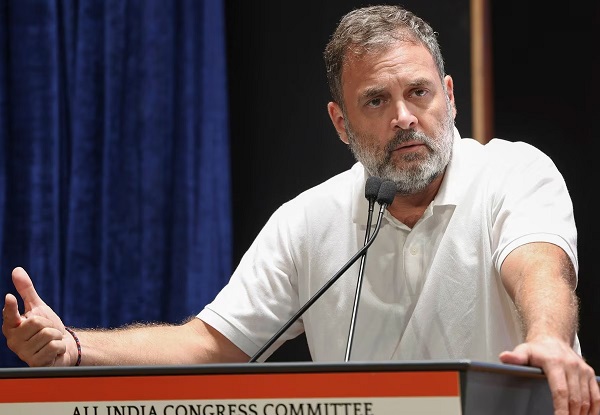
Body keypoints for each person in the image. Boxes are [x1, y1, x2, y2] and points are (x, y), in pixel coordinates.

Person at [2, 4, 598, 414]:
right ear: (341, 122)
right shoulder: (308, 220)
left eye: (418, 92)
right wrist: (75, 348)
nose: (404, 118)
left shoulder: (514, 172)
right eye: (375, 101)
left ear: (448, 95)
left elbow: (538, 267)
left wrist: (548, 339)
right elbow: (211, 345)